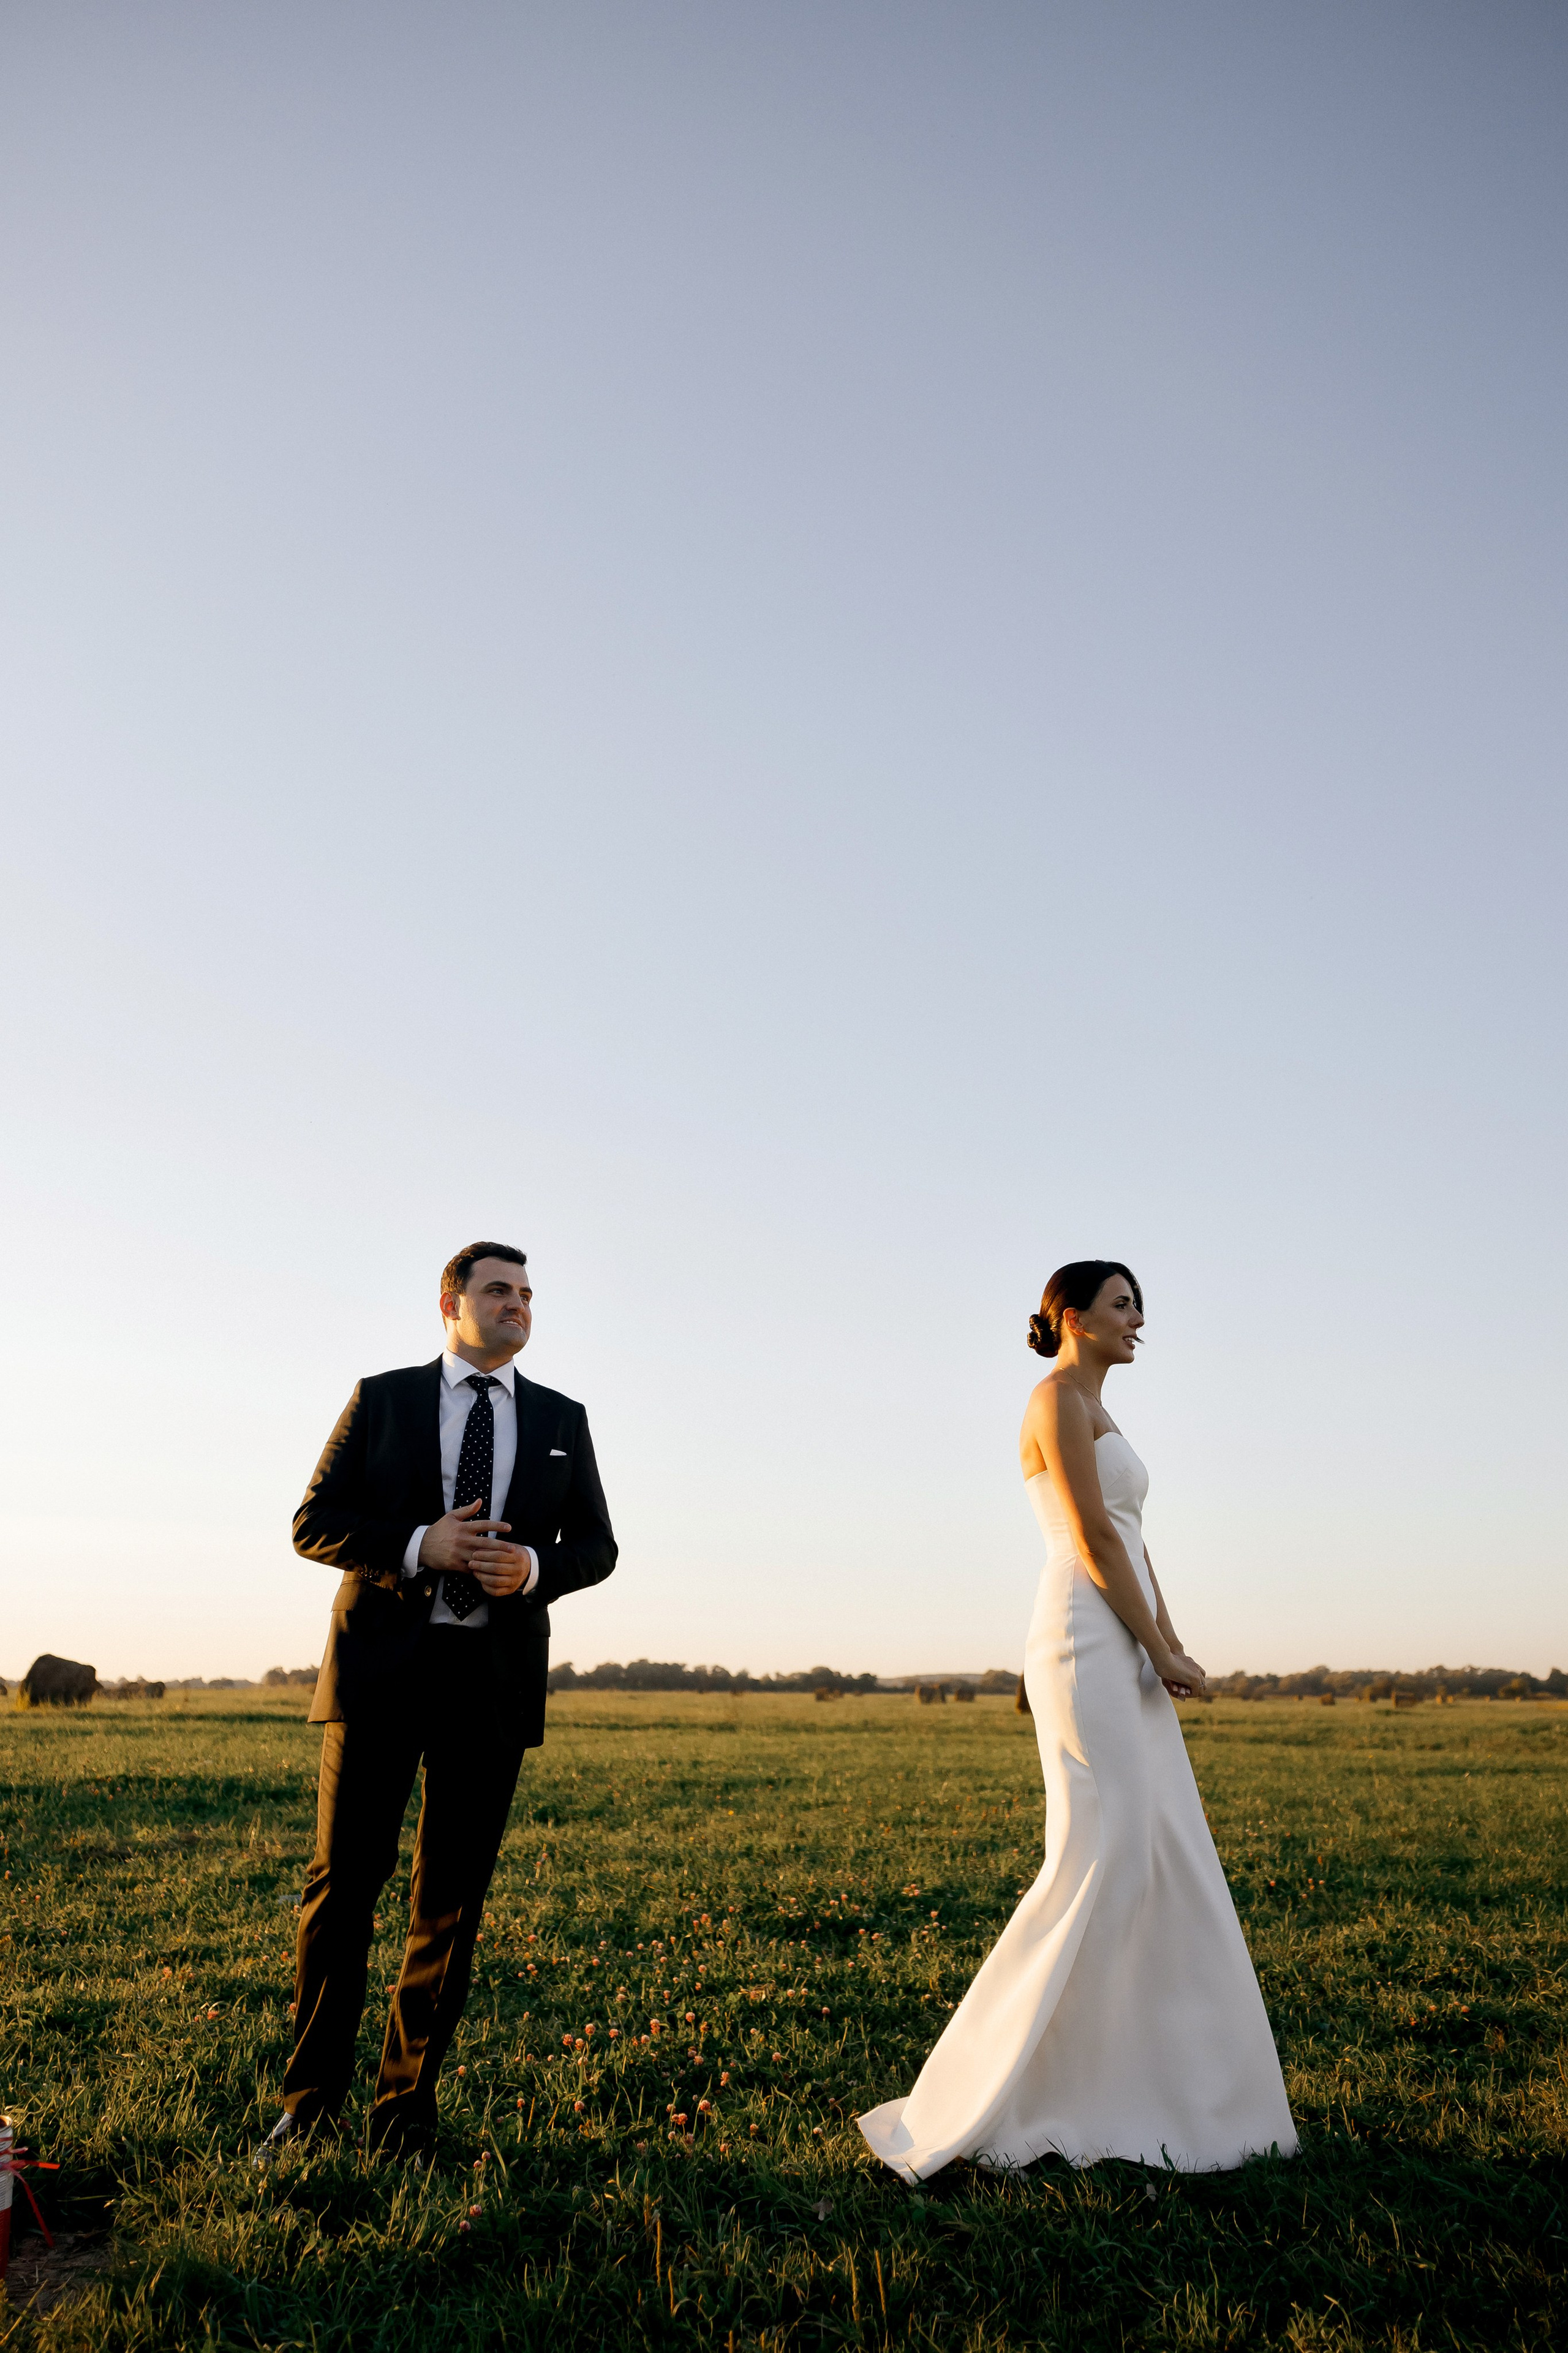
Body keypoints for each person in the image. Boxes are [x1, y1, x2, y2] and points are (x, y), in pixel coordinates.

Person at [859, 1259, 1296, 2178]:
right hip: (1079, 1638)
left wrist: (1170, 1645)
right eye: (1123, 1303)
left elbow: (1135, 1540)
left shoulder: (1105, 1409)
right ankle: (1012, 2093)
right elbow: (1093, 1538)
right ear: (1074, 1316)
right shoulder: (1053, 1397)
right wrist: (1151, 1644)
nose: (1139, 1319)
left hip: (1125, 1638)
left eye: (1140, 1305)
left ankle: (1147, 2086)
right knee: (1101, 1851)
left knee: (1156, 1851)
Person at [254, 1241, 616, 2162]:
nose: (518, 1304)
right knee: (343, 1890)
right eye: (499, 1290)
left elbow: (599, 1548)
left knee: (450, 1907)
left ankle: (405, 2118)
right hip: (379, 1675)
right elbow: (313, 1521)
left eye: (528, 1294)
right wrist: (423, 1544)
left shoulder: (563, 1418)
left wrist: (534, 1566)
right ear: (451, 1301)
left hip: (489, 1688)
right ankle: (310, 2106)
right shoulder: (383, 1399)